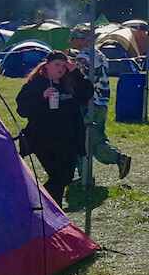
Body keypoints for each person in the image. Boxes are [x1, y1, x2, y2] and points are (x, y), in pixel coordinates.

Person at [16, 51, 93, 206]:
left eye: (64, 66)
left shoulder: (69, 83)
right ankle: (43, 206)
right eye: (57, 65)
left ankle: (49, 210)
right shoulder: (36, 83)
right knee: (59, 176)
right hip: (43, 139)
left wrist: (75, 72)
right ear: (47, 66)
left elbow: (87, 93)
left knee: (67, 176)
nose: (61, 69)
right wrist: (41, 97)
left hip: (68, 139)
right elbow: (22, 110)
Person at [76, 54, 131, 183]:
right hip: (102, 102)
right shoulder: (99, 55)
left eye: (73, 37)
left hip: (91, 103)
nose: (71, 41)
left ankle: (117, 158)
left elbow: (80, 80)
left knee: (82, 140)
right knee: (94, 140)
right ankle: (85, 175)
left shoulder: (83, 56)